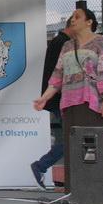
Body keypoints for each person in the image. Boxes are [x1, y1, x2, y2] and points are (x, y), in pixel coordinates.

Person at [33, 7, 103, 192]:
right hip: (69, 103)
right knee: (72, 148)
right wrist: (44, 98)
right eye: (72, 16)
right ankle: (73, 193)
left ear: (89, 22)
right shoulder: (67, 46)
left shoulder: (102, 42)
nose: (73, 19)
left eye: (78, 16)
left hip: (92, 103)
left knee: (93, 146)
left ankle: (97, 191)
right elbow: (57, 76)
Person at [30, 16, 73, 189]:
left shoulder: (59, 42)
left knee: (71, 137)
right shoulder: (62, 43)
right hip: (61, 99)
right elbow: (58, 74)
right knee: (71, 138)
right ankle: (41, 165)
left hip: (59, 98)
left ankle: (42, 166)